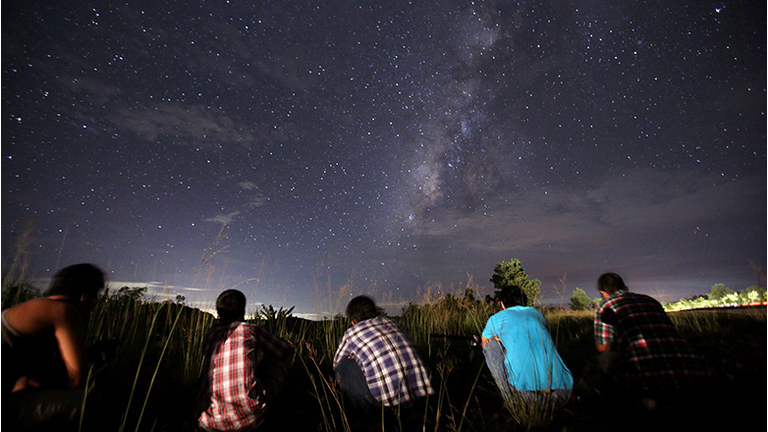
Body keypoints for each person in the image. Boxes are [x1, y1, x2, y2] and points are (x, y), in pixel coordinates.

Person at [2, 263, 106, 431]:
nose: (95, 306)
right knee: (93, 401)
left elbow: (27, 380)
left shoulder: (36, 308)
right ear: (85, 296)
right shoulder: (63, 310)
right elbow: (78, 379)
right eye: (96, 298)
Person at [593, 273, 709, 410]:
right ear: (625, 288)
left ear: (602, 292)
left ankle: (619, 400)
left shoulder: (605, 305)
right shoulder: (651, 300)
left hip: (648, 382)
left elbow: (603, 347)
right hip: (692, 374)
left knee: (606, 358)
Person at [197, 289, 293, 432]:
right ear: (242, 310)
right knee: (280, 358)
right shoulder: (250, 330)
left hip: (209, 423)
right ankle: (285, 409)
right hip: (249, 419)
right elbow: (285, 350)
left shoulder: (210, 335)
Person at [333, 295, 434, 416]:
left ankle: (362, 413)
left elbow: (336, 363)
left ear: (353, 321)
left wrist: (354, 358)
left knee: (344, 366)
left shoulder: (352, 333)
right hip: (420, 394)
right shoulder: (390, 322)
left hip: (386, 402)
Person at [481, 285, 573, 409]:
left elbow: (484, 343)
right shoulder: (537, 314)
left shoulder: (496, 319)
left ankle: (509, 400)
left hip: (528, 397)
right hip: (564, 391)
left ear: (502, 304)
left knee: (491, 346)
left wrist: (499, 339)